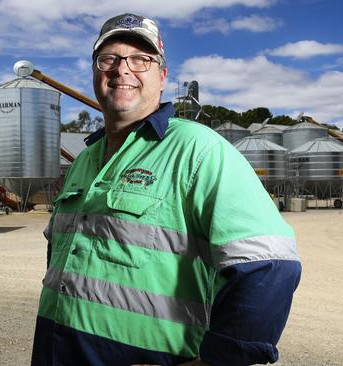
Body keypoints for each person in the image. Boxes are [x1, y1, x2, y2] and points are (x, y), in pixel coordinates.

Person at [31, 13, 301, 366]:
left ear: (161, 77)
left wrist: (217, 362)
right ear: (96, 72)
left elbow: (270, 264)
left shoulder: (199, 150)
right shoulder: (86, 158)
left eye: (140, 59)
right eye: (109, 58)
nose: (122, 70)